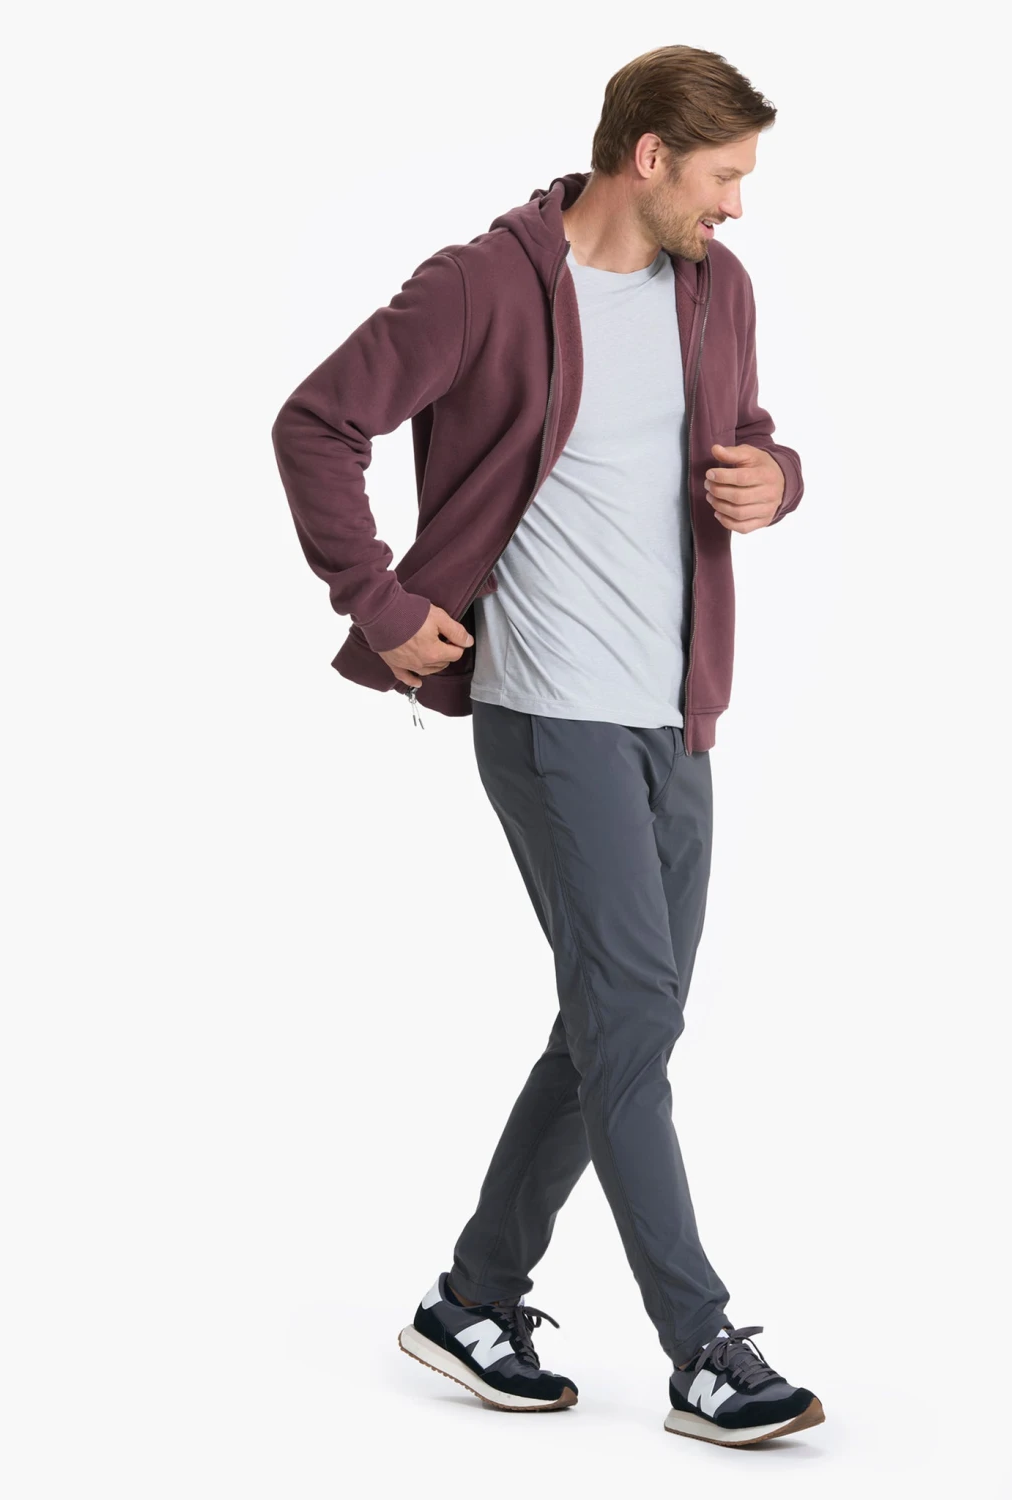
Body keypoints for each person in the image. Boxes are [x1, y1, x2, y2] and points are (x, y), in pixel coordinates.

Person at [270, 45, 819, 1448]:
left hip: (678, 715)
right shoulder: (485, 286)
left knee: (620, 1023)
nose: (738, 207)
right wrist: (377, 599)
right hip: (550, 711)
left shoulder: (718, 289)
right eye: (724, 177)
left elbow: (748, 436)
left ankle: (472, 1300)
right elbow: (317, 422)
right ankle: (703, 1350)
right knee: (630, 1020)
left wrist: (777, 478)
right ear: (650, 156)